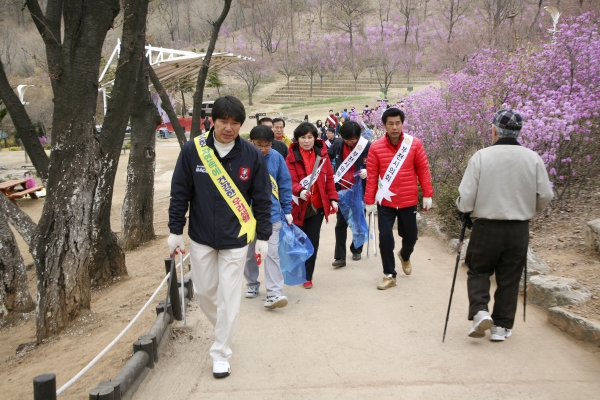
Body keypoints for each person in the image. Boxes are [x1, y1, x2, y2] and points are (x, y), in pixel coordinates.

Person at [168, 95, 272, 379]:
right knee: (204, 293)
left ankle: (221, 352)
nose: (229, 127)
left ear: (241, 125)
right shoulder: (193, 151)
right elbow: (180, 192)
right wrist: (175, 230)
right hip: (201, 236)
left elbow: (262, 198)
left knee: (229, 296)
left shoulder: (251, 155)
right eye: (223, 121)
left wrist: (263, 236)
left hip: (236, 239)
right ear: (212, 121)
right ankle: (223, 330)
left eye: (235, 123)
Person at [457, 109, 553, 341]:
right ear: (519, 131)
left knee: (479, 270)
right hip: (518, 228)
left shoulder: (481, 157)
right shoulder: (533, 158)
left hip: (486, 227)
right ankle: (501, 327)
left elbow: (467, 196)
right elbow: (546, 195)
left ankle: (480, 311)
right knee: (510, 276)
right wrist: (530, 209)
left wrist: (464, 209)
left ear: (494, 131)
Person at [364, 107, 433, 290]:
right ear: (384, 125)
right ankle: (389, 274)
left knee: (410, 236)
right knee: (385, 237)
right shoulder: (376, 147)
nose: (394, 127)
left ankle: (405, 255)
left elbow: (423, 170)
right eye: (390, 124)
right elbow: (371, 176)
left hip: (408, 199)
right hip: (385, 201)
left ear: (402, 123)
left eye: (398, 123)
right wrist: (369, 201)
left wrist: (427, 194)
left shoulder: (414, 144)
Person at [244, 125, 293, 309]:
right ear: (251, 142)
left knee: (272, 254)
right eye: (259, 145)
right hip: (247, 216)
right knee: (249, 254)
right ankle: (251, 284)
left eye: (267, 145)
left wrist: (287, 209)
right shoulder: (244, 158)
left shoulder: (277, 158)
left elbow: (285, 183)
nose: (263, 149)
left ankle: (274, 293)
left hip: (272, 215)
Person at [286, 122, 339, 289]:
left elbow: (329, 178)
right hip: (298, 207)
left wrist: (332, 198)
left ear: (315, 138)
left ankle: (308, 275)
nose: (306, 141)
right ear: (297, 139)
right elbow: (290, 181)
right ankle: (297, 269)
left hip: (317, 207)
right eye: (303, 137)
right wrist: (300, 191)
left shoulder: (322, 156)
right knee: (298, 241)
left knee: (313, 240)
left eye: (310, 137)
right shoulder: (291, 157)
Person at [328, 120, 370, 267]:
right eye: (347, 139)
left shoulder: (366, 146)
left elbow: (377, 164)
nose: (350, 142)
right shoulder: (338, 144)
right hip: (342, 190)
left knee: (359, 220)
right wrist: (330, 174)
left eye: (353, 139)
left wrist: (368, 171)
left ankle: (356, 248)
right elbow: (327, 157)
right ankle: (340, 256)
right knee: (341, 223)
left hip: (360, 190)